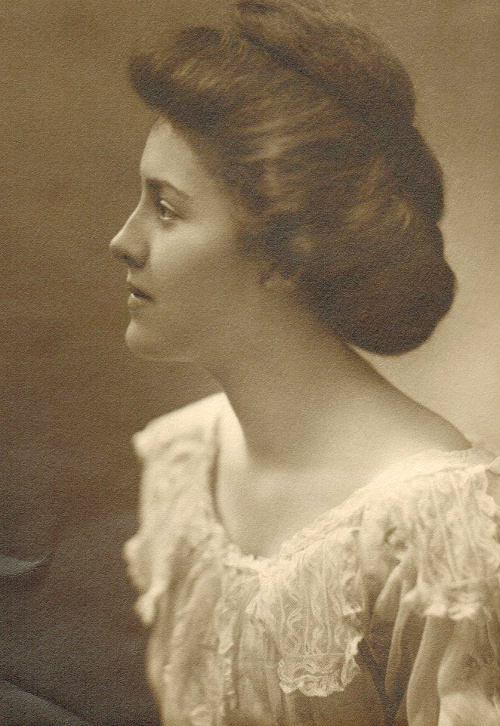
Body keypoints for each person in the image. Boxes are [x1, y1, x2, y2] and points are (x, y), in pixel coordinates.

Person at [109, 1, 500, 723]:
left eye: (165, 208)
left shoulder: (433, 532)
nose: (123, 241)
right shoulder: (183, 460)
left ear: (283, 253)